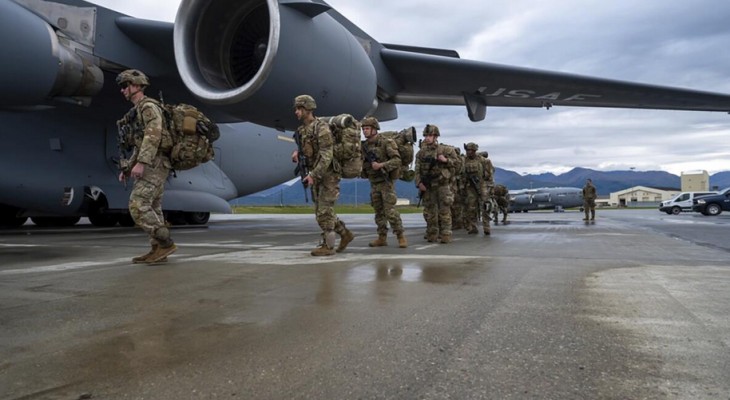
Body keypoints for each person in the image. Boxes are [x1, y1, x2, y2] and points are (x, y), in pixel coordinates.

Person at [116, 69, 177, 264]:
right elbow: (140, 143)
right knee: (153, 207)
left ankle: (166, 243)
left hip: (155, 163)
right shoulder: (138, 110)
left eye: (125, 86)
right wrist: (128, 167)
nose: (122, 90)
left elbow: (153, 136)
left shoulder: (148, 107)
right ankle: (157, 249)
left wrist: (142, 163)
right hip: (154, 162)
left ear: (136, 86)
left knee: (138, 205)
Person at [291, 95, 354, 256]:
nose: (296, 112)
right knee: (321, 211)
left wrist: (313, 174)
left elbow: (327, 155)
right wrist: (297, 153)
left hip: (328, 175)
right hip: (316, 174)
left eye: (299, 109)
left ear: (308, 109)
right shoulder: (302, 130)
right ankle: (345, 234)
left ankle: (328, 247)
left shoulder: (322, 128)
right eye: (296, 109)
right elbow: (307, 149)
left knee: (324, 211)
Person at [360, 117, 407, 248]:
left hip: (386, 182)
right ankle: (382, 237)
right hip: (374, 182)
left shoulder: (386, 142)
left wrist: (381, 165)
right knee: (378, 212)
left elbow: (397, 160)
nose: (365, 131)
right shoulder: (364, 146)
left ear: (375, 129)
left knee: (390, 211)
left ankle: (400, 236)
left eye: (367, 128)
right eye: (363, 129)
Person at [415, 125, 458, 243]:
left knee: (444, 211)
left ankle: (446, 234)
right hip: (428, 186)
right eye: (426, 136)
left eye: (430, 135)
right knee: (430, 212)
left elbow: (458, 164)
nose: (427, 138)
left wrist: (446, 160)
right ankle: (432, 234)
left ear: (435, 137)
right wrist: (419, 183)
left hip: (442, 185)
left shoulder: (446, 150)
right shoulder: (421, 153)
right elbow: (417, 170)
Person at [462, 143, 490, 235]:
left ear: (474, 151)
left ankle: (486, 226)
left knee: (485, 206)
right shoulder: (464, 160)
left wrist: (489, 186)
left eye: (470, 150)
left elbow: (489, 174)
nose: (468, 152)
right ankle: (473, 227)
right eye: (467, 150)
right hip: (470, 186)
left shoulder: (483, 160)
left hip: (481, 185)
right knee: (471, 207)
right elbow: (461, 173)